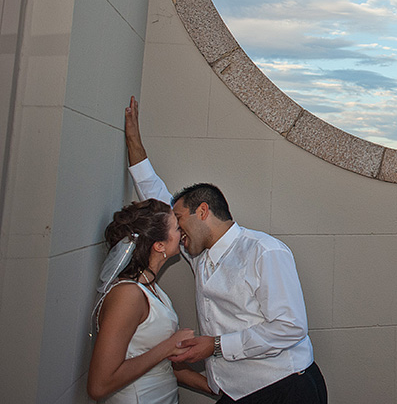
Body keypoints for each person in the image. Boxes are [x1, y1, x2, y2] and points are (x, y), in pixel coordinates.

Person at [123, 96, 327, 404]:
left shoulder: (264, 252)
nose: (175, 230)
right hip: (237, 392)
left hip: (285, 389)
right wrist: (134, 142)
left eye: (179, 220)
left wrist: (216, 346)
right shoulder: (198, 255)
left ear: (202, 211)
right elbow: (155, 193)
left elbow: (290, 327)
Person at [88, 199, 212, 402]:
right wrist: (168, 346)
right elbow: (98, 386)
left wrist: (219, 390)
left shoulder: (151, 288)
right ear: (159, 245)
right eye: (176, 227)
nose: (181, 231)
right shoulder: (127, 295)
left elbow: (163, 364)